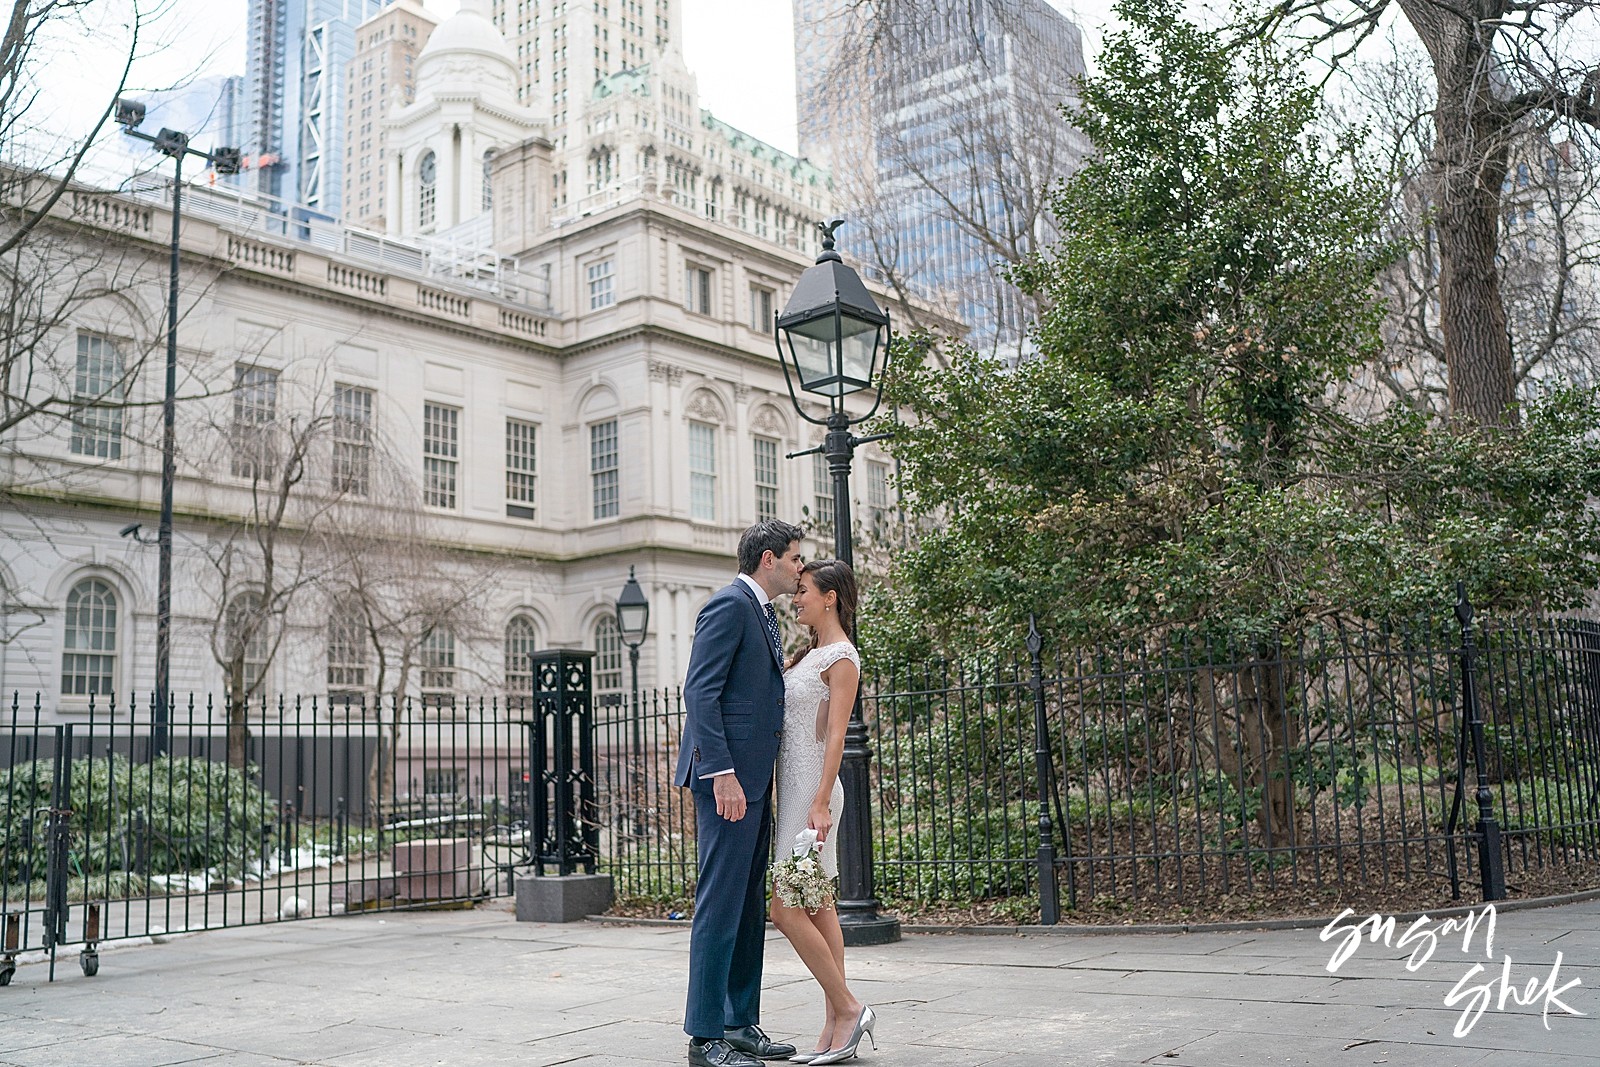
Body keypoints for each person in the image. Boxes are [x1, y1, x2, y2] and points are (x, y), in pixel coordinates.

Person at [674, 520, 807, 1067]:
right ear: (768, 558)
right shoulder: (729, 604)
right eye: (796, 558)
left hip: (754, 781)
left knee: (749, 907)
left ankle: (738, 1023)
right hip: (727, 782)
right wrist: (721, 772)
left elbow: (746, 690)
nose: (802, 567)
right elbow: (699, 692)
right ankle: (704, 1038)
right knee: (720, 905)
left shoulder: (762, 611)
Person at [770, 559, 876, 1065]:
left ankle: (850, 1008)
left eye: (804, 591)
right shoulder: (808, 654)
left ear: (830, 596)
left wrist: (819, 800)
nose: (797, 599)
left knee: (785, 909)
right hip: (791, 794)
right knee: (818, 907)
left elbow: (836, 735)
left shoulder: (842, 658)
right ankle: (836, 1021)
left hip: (813, 797)